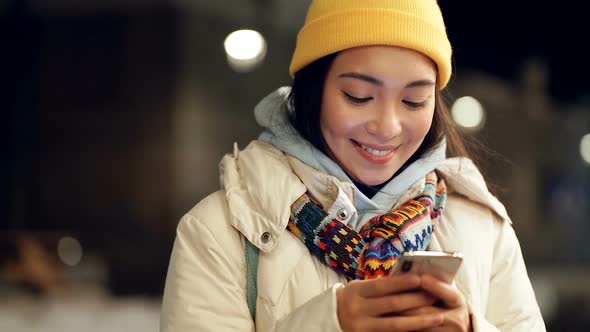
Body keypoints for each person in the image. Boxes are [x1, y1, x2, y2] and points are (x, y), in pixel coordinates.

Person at [160, 1, 546, 331]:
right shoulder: (218, 232)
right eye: (359, 96)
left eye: (414, 101)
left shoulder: (482, 229)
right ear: (313, 91)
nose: (387, 127)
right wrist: (331, 322)